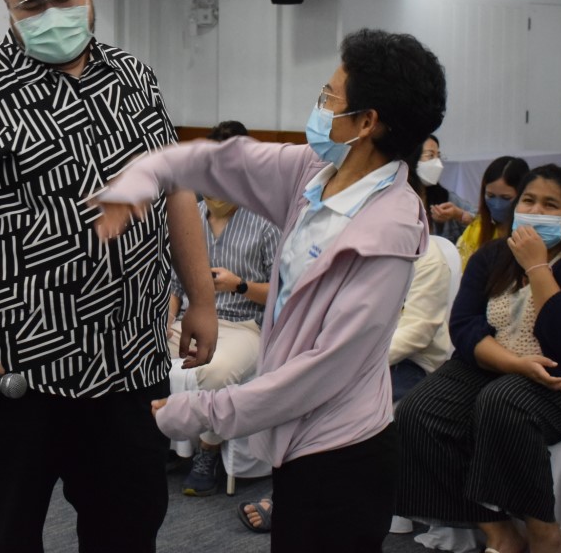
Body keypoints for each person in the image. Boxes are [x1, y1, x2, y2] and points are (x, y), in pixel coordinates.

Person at [0, 0, 217, 553]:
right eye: (31, 5)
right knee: (3, 535)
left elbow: (177, 192)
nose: (52, 14)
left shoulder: (135, 79)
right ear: (7, 7)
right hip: (12, 366)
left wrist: (202, 299)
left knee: (127, 531)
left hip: (126, 361)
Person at [95, 28, 447, 552]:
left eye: (329, 96)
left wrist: (196, 412)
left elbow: (321, 370)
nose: (320, 106)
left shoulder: (388, 230)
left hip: (344, 450)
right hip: (298, 438)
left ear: (366, 122)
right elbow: (226, 161)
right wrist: (146, 173)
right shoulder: (316, 173)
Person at [395, 165, 561, 553]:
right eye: (529, 201)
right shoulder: (493, 255)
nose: (536, 211)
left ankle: (543, 531)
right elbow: (465, 326)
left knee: (503, 402)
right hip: (499, 365)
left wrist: (538, 267)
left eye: (550, 205)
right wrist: (513, 364)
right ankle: (499, 532)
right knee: (417, 412)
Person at [235, 157, 455, 536]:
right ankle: (291, 488)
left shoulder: (428, 259)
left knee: (322, 396)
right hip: (356, 354)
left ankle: (293, 494)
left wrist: (341, 357)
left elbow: (415, 334)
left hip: (407, 364)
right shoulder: (349, 242)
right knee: (298, 385)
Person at [170, 120, 281, 498]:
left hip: (243, 324)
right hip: (188, 318)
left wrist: (240, 285)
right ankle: (164, 442)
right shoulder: (190, 217)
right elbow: (174, 286)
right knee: (142, 355)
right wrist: (164, 321)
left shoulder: (266, 222)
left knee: (215, 371)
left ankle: (207, 451)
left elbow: (283, 292)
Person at [455, 155, 529, 270]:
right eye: (490, 196)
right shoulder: (477, 229)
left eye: (506, 198)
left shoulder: (530, 238)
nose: (497, 205)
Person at [419, 135, 476, 243]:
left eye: (438, 156)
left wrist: (459, 215)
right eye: (430, 156)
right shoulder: (396, 197)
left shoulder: (445, 198)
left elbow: (481, 221)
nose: (438, 163)